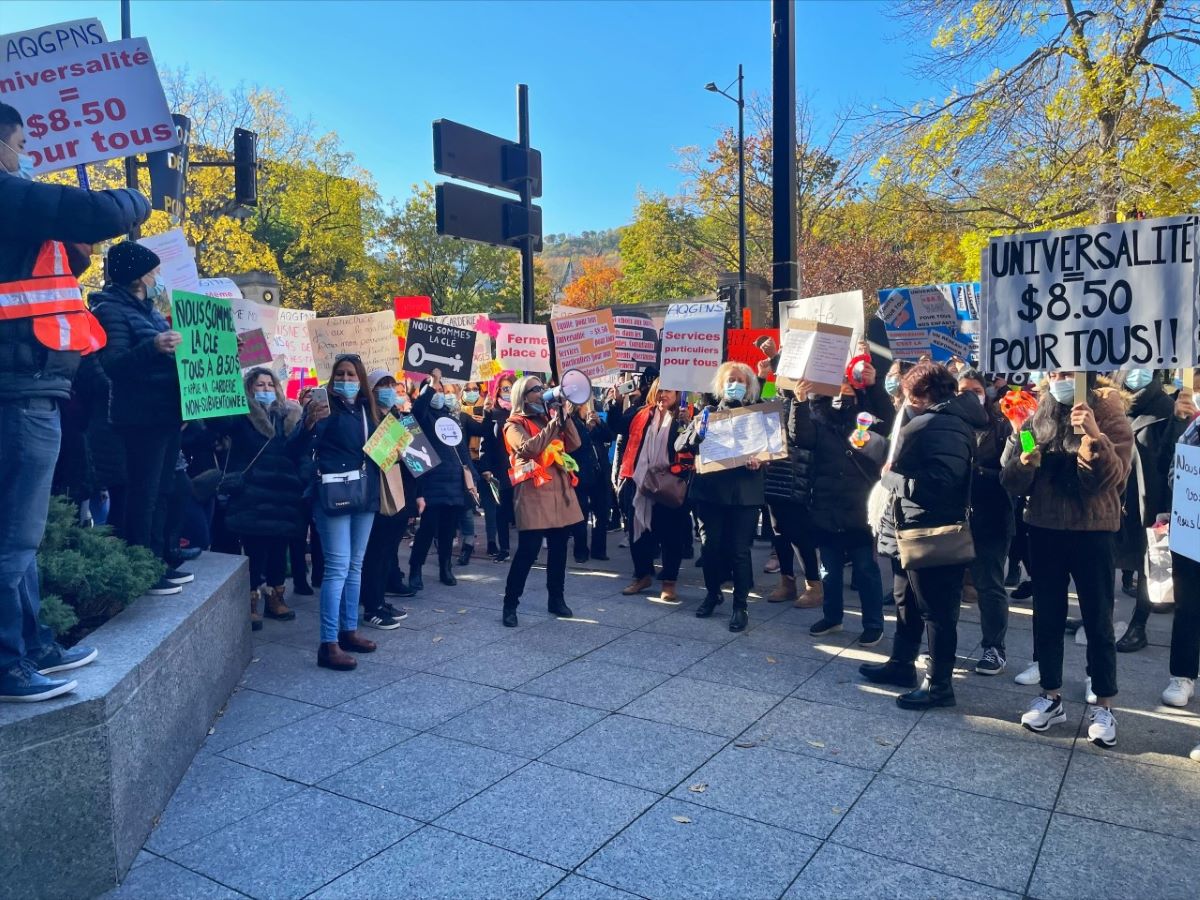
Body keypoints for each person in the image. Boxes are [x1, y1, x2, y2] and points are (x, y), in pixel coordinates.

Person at [0, 101, 150, 701]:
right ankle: (9, 665)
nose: (24, 155)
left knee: (22, 537)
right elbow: (98, 209)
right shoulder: (9, 194)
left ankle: (33, 645)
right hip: (18, 391)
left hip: (29, 386)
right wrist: (137, 197)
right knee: (12, 540)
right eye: (19, 142)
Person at [1001, 371, 1133, 747]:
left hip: (1093, 530)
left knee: (1097, 618)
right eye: (1054, 370)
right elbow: (1013, 478)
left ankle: (1104, 704)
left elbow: (1114, 478)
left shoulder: (1107, 409)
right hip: (1044, 527)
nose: (1058, 378)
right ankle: (1051, 695)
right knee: (1047, 614)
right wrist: (1024, 458)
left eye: (1067, 371)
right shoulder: (1035, 410)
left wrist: (1093, 436)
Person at [861, 361, 983, 710]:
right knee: (907, 601)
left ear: (925, 394)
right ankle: (902, 663)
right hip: (910, 528)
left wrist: (892, 480)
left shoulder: (944, 425)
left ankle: (939, 684)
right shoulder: (935, 421)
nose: (904, 400)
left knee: (936, 612)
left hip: (932, 532)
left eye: (909, 394)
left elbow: (942, 482)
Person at [91, 241, 193, 596]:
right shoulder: (110, 310)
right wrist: (153, 347)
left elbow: (173, 357)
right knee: (144, 493)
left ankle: (158, 558)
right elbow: (112, 364)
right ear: (137, 275)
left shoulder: (149, 311)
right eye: (152, 271)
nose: (157, 277)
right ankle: (142, 566)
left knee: (162, 490)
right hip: (140, 417)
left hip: (165, 413)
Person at [289, 354, 380, 671]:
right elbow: (295, 448)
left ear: (361, 379)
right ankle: (328, 644)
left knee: (355, 565)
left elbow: (384, 452)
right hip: (333, 496)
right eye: (339, 374)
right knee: (338, 566)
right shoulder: (323, 407)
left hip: (366, 495)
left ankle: (348, 630)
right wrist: (307, 423)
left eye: (351, 375)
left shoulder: (369, 409)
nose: (345, 380)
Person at [791, 376, 889, 646]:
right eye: (837, 391)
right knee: (830, 570)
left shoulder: (871, 423)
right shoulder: (819, 421)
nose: (842, 396)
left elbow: (888, 419)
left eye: (849, 392)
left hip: (860, 508)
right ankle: (832, 617)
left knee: (866, 569)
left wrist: (873, 384)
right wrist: (800, 403)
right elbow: (802, 436)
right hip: (826, 506)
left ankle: (873, 624)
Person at [209, 368, 304, 631]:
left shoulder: (290, 417)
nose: (265, 389)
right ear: (249, 389)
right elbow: (218, 424)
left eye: (269, 384)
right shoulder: (241, 417)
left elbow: (301, 452)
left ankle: (276, 598)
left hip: (284, 494)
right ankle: (250, 601)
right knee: (256, 549)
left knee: (278, 549)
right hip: (253, 495)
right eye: (259, 385)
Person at [677, 361, 766, 633]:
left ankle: (740, 606)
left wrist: (761, 460)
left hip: (744, 495)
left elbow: (771, 450)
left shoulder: (757, 416)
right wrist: (696, 432)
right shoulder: (708, 413)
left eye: (740, 380)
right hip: (711, 493)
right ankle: (712, 593)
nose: (734, 385)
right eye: (730, 380)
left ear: (749, 386)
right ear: (720, 384)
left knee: (739, 551)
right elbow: (680, 444)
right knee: (710, 547)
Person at [501, 375, 583, 627]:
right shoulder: (513, 424)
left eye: (542, 388)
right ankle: (510, 605)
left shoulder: (549, 418)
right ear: (522, 397)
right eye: (535, 389)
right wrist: (553, 424)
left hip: (558, 491)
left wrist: (564, 417)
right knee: (528, 551)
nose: (542, 392)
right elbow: (529, 448)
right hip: (534, 493)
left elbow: (575, 443)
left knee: (559, 551)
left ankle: (556, 599)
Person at [1112, 368, 1175, 653]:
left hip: (1149, 498)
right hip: (1111, 495)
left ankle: (1139, 624)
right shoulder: (1108, 404)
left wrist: (1184, 422)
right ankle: (1098, 617)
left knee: (1149, 562)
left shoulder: (1168, 408)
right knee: (1102, 556)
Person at [957, 369, 1015, 675]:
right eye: (962, 390)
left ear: (987, 392)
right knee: (949, 584)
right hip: (953, 519)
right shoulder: (947, 423)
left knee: (990, 585)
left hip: (991, 516)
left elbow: (1021, 464)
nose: (969, 395)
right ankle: (941, 645)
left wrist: (976, 473)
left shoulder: (1006, 423)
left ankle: (995, 648)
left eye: (975, 390)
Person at [618, 379, 691, 603]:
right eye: (659, 390)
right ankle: (642, 575)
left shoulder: (687, 415)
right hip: (640, 481)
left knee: (671, 534)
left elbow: (691, 446)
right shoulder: (642, 413)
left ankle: (669, 582)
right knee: (637, 532)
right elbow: (617, 426)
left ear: (677, 392)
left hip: (670, 482)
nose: (662, 395)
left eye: (668, 390)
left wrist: (687, 426)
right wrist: (617, 402)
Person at [359, 370, 415, 630]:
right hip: (376, 494)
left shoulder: (398, 417)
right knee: (376, 552)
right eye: (382, 385)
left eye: (392, 385)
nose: (389, 390)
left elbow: (411, 459)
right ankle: (371, 607)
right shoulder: (366, 419)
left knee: (388, 551)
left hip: (398, 493)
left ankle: (380, 600)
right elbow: (379, 455)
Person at [408, 370, 474, 589]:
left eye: (443, 390)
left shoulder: (451, 417)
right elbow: (417, 410)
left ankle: (445, 567)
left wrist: (470, 477)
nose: (440, 393)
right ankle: (415, 568)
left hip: (454, 481)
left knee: (448, 529)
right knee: (427, 529)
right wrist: (432, 382)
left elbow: (462, 449)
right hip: (432, 481)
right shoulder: (423, 416)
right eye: (437, 389)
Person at [1163, 387, 1200, 760]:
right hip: (1193, 535)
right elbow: (1172, 470)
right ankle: (1182, 675)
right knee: (1188, 610)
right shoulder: (1194, 426)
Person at [568, 396, 614, 564]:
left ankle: (599, 550)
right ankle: (580, 551)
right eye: (584, 404)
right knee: (581, 513)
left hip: (600, 472)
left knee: (602, 512)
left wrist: (600, 423)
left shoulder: (595, 420)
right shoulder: (570, 422)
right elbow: (576, 445)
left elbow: (609, 436)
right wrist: (587, 428)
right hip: (581, 473)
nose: (587, 407)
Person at [479, 373, 516, 562]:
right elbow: (485, 443)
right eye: (504, 388)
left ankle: (527, 548)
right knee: (501, 512)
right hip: (500, 470)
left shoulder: (520, 413)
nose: (507, 392)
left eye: (510, 388)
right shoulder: (492, 414)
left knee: (521, 511)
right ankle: (504, 549)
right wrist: (485, 467)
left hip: (520, 470)